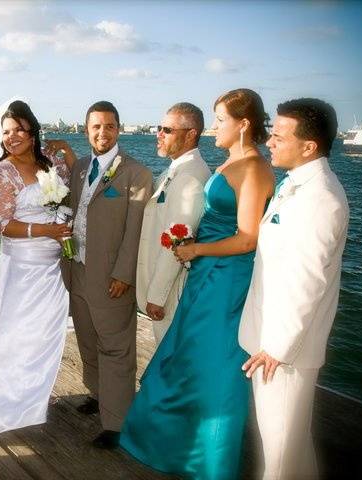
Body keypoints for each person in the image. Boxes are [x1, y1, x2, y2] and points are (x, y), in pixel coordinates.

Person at [120, 88, 276, 479]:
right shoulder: (227, 164)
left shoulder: (255, 168)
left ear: (243, 124)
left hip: (228, 279)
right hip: (207, 273)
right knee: (186, 358)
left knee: (217, 366)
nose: (216, 128)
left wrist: (197, 250)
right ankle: (178, 445)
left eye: (221, 120)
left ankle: (212, 462)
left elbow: (248, 237)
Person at [239, 98, 348, 479]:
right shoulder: (300, 185)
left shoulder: (321, 200)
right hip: (275, 345)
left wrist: (278, 349)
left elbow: (307, 281)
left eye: (279, 136)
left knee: (281, 459)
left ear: (308, 147)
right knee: (293, 449)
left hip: (283, 354)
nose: (269, 141)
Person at [0, 100, 75, 434]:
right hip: (22, 270)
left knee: (42, 337)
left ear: (32, 132)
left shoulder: (53, 164)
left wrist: (69, 152)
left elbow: (72, 190)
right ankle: (2, 406)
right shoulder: (4, 172)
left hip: (52, 268)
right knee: (11, 336)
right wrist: (45, 230)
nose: (11, 137)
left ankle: (33, 401)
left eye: (18, 129)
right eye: (5, 132)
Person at [64, 101, 153, 449]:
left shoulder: (136, 173)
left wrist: (125, 274)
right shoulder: (81, 167)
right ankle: (98, 394)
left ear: (119, 129)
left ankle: (116, 423)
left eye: (109, 126)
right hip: (77, 269)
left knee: (116, 348)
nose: (103, 133)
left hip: (112, 277)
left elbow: (136, 230)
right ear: (86, 129)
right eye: (96, 126)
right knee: (87, 339)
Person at [136, 102, 211, 343]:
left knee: (168, 361)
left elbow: (177, 242)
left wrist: (157, 295)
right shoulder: (178, 169)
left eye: (167, 130)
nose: (159, 134)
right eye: (160, 128)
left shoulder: (189, 176)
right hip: (163, 290)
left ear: (191, 134)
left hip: (170, 295)